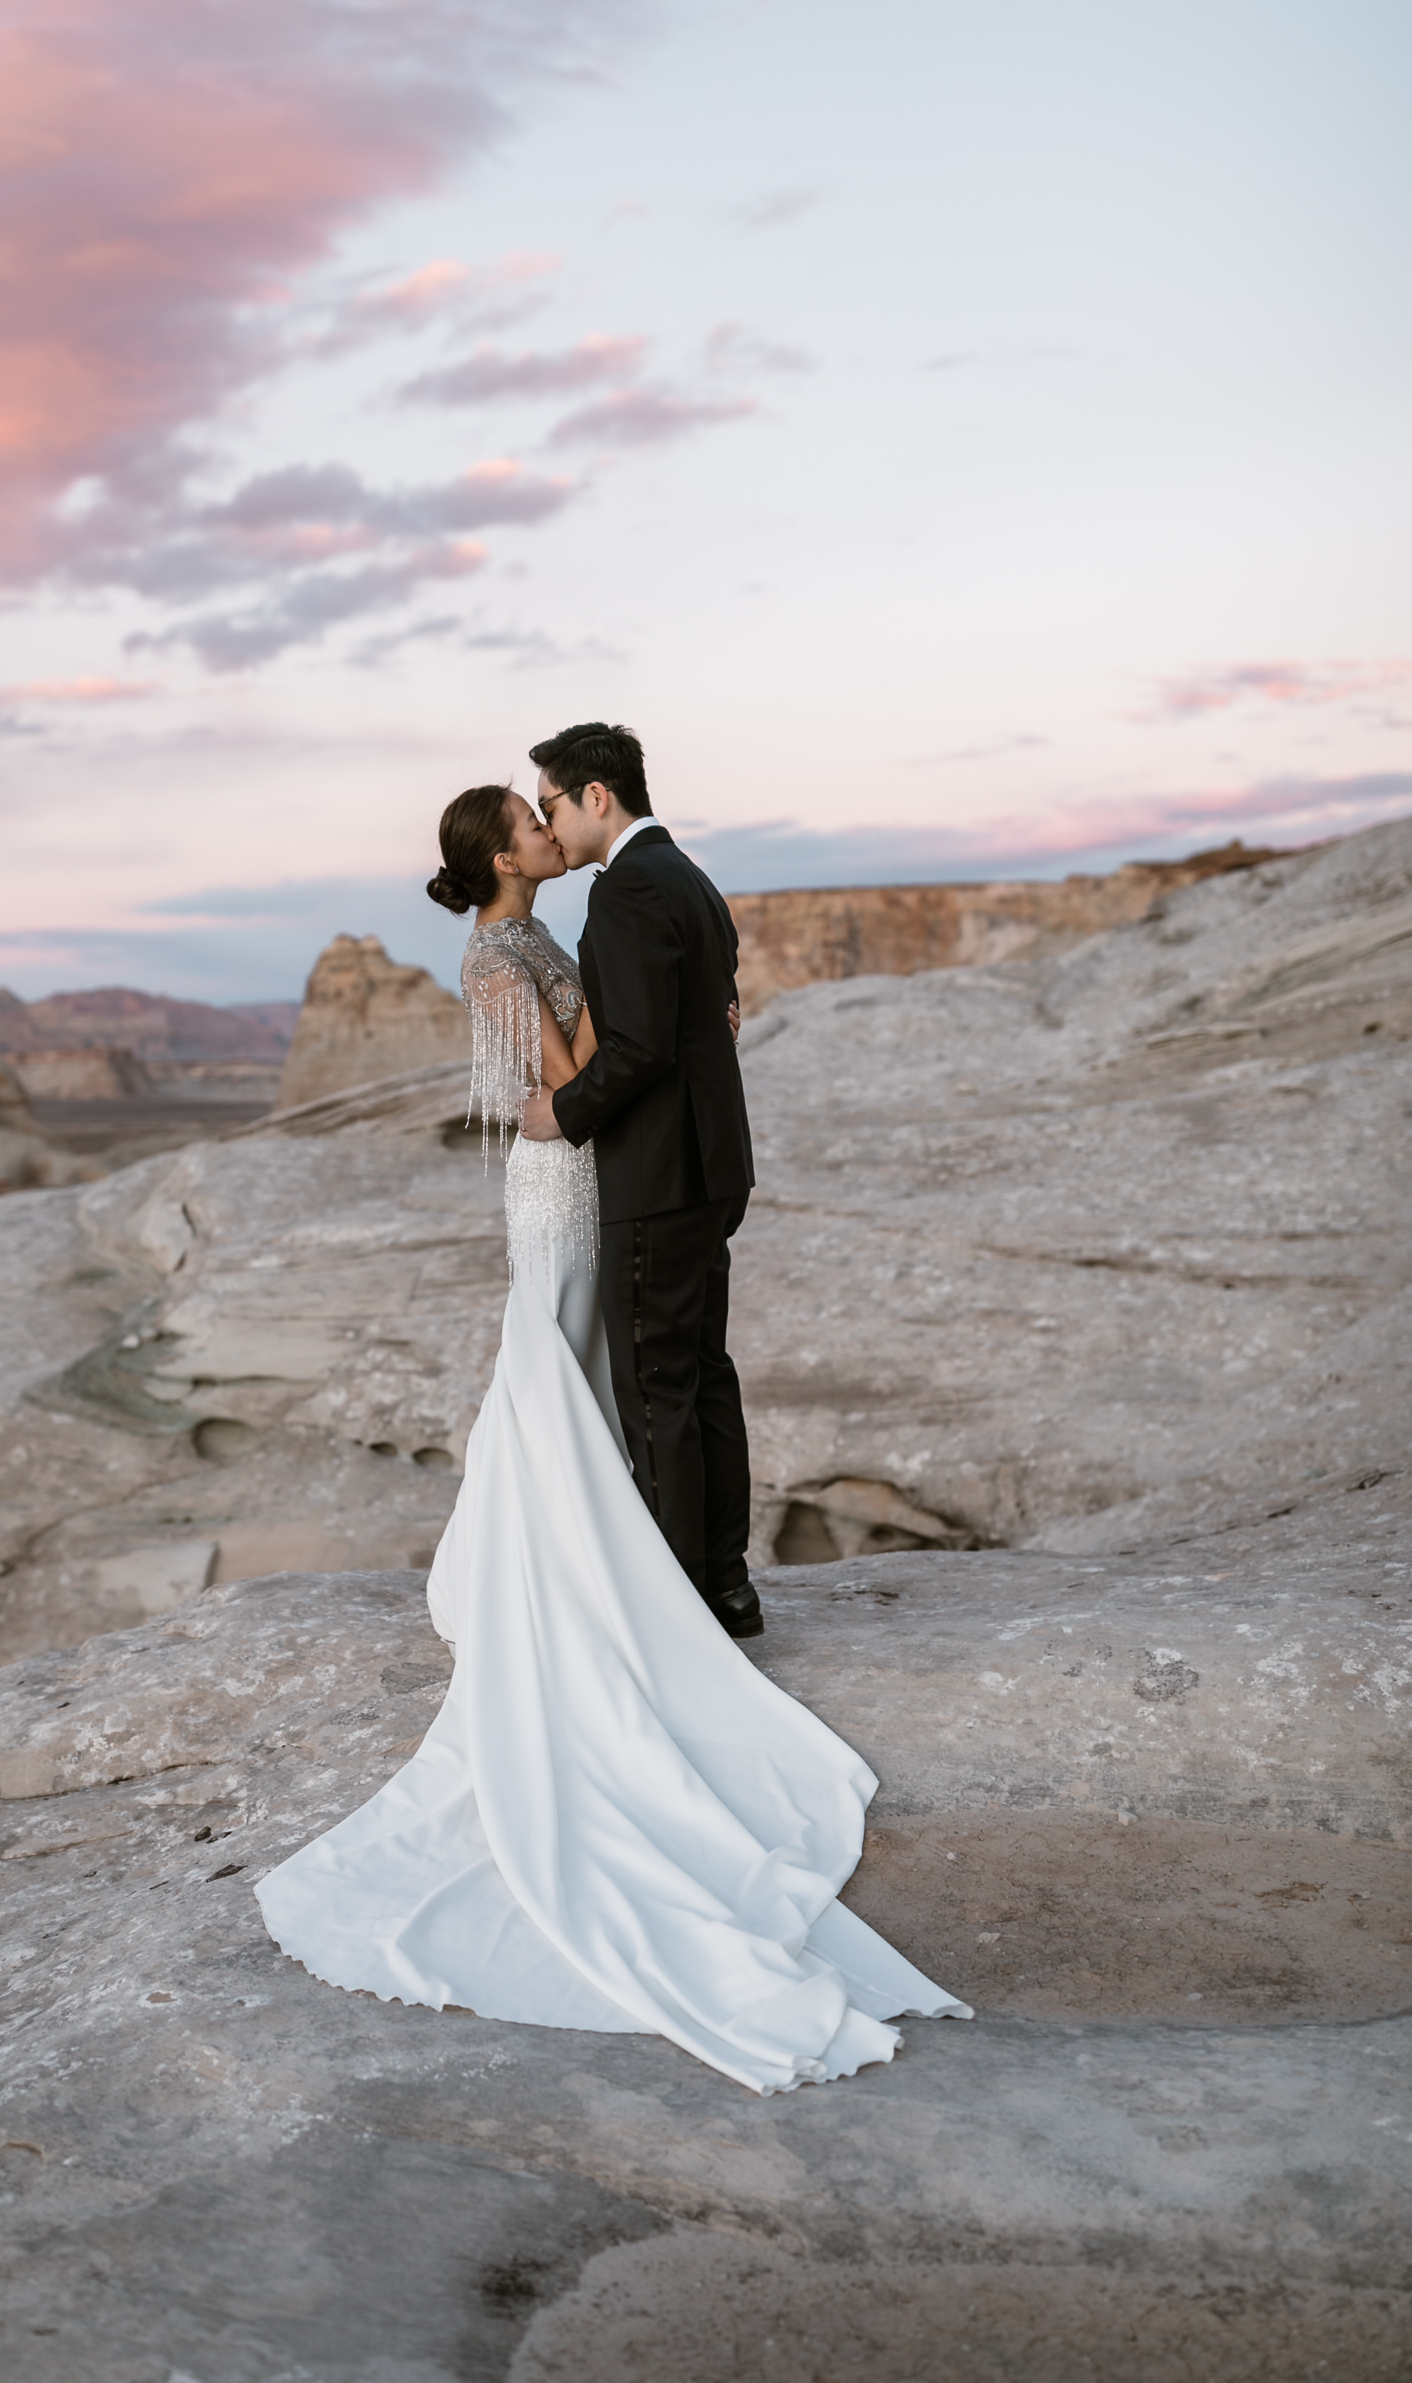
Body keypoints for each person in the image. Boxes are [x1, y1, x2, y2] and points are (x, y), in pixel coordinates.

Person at [255, 762, 970, 2095]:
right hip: (560, 1179)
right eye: (525, 823)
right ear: (504, 855)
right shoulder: (503, 948)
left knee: (584, 1374)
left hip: (590, 1171)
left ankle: (596, 1566)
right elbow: (565, 1071)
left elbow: (606, 1049)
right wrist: (631, 1030)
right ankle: (570, 1571)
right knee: (558, 1366)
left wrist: (651, 1023)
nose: (542, 827)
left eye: (544, 807)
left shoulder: (542, 931)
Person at [517, 723, 761, 1640]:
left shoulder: (622, 893)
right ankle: (726, 1585)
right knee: (702, 1376)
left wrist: (563, 1113)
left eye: (551, 805)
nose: (551, 824)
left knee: (655, 1391)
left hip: (657, 1173)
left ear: (596, 796)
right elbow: (716, 1001)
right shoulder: (690, 878)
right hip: (713, 1165)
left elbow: (640, 1048)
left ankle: (674, 1616)